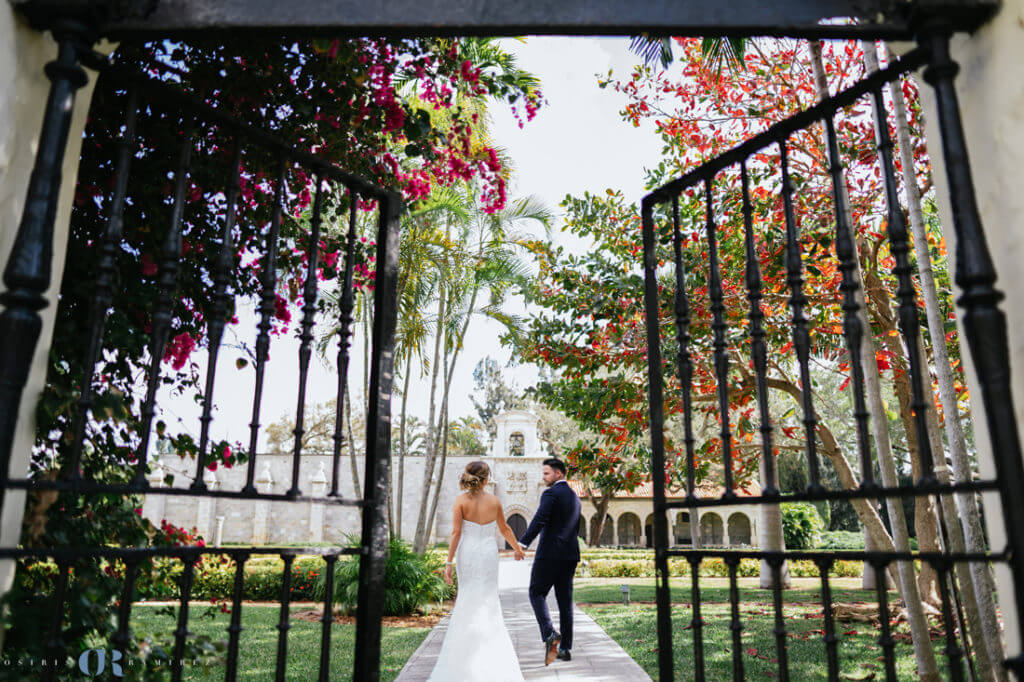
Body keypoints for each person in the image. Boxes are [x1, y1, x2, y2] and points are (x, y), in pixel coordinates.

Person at [427, 461, 527, 681]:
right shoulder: (495, 501)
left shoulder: (461, 501)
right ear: (486, 478)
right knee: (489, 599)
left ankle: (463, 655)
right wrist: (517, 549)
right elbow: (505, 529)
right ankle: (491, 651)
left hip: (468, 553)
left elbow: (455, 533)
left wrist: (448, 563)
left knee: (467, 597)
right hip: (488, 553)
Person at [518, 457, 582, 665]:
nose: (543, 477)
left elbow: (539, 519)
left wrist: (523, 543)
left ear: (559, 474)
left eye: (546, 473)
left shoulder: (551, 493)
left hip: (549, 555)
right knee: (565, 601)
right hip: (570, 555)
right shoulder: (575, 497)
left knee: (536, 592)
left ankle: (549, 634)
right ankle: (565, 649)